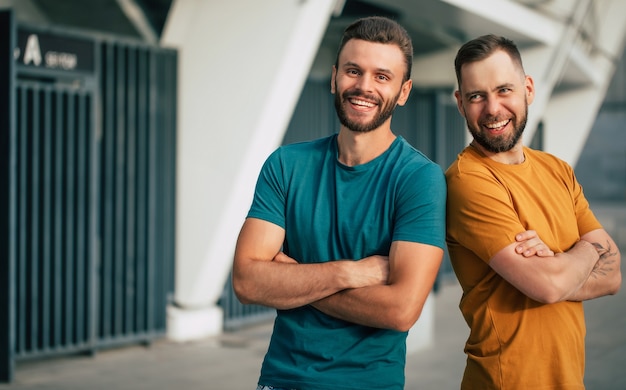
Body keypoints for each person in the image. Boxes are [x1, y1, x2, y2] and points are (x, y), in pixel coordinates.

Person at [232, 16, 446, 390]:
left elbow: (400, 310)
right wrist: (347, 273)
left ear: (404, 90)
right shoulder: (286, 165)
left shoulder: (418, 178)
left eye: (382, 76)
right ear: (334, 77)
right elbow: (247, 281)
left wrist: (294, 278)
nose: (364, 86)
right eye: (353, 70)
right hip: (282, 379)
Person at [446, 34, 622, 389]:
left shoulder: (557, 169)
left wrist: (558, 266)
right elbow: (549, 283)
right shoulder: (469, 181)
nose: (493, 109)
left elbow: (614, 274)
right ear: (461, 104)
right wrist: (586, 251)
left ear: (528, 88)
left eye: (504, 90)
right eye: (477, 96)